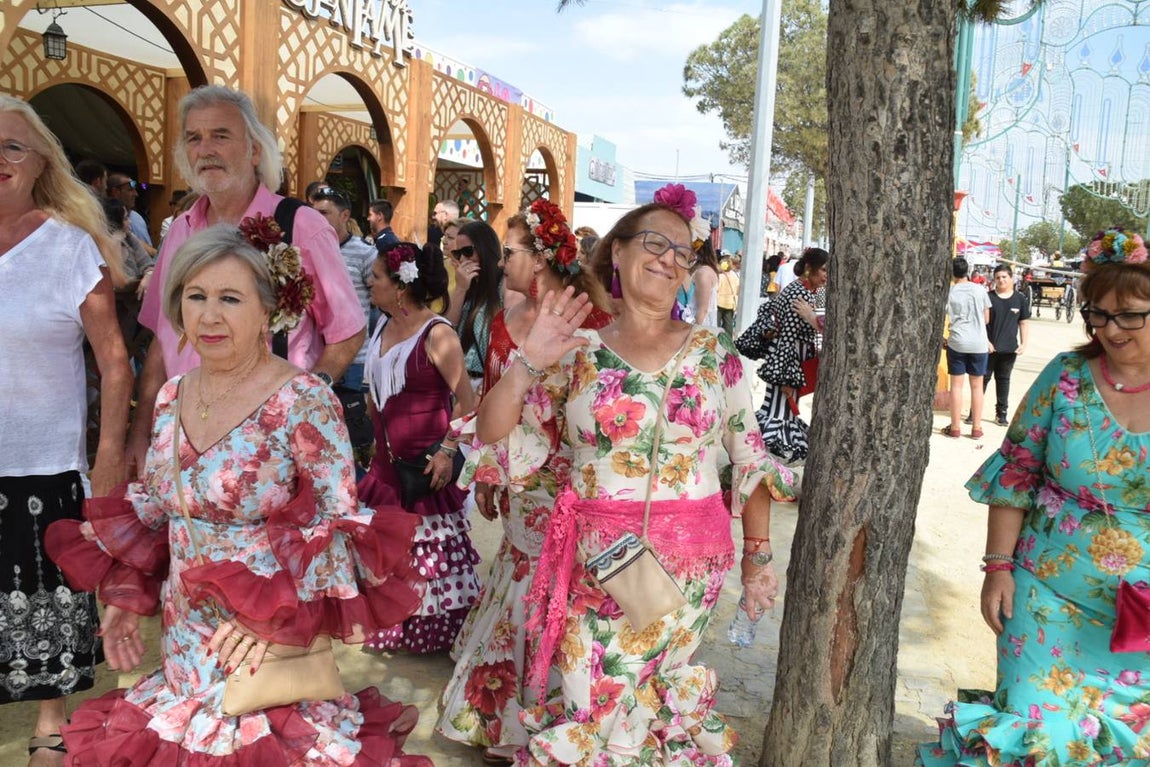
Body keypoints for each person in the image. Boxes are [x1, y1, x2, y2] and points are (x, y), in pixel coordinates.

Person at [44, 224, 431, 766]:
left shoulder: (303, 399)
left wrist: (281, 627)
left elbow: (337, 529)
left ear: (268, 310)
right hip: (184, 640)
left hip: (260, 644)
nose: (208, 315)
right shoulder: (173, 395)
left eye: (230, 298)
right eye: (195, 296)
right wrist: (123, 601)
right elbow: (158, 509)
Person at [475, 184, 795, 765]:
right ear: (616, 253)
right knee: (588, 701)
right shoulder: (577, 352)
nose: (671, 258)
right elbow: (499, 438)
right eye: (656, 242)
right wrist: (528, 363)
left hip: (687, 574)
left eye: (684, 250)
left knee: (653, 707)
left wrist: (759, 560)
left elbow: (751, 461)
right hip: (595, 569)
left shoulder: (713, 351)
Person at [917, 227, 1150, 767]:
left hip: (1140, 621)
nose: (1110, 329)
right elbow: (1017, 472)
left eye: (1129, 314)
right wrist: (998, 566)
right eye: (1097, 313)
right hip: (1046, 596)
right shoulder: (1065, 377)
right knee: (1032, 730)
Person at [437, 199, 613, 763]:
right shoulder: (503, 317)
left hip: (566, 486)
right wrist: (490, 469)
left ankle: (550, 718)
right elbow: (494, 394)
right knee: (516, 581)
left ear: (539, 257)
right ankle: (505, 719)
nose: (500, 260)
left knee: (553, 591)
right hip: (517, 480)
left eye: (509, 251)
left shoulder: (591, 321)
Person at [126, 85, 366, 474]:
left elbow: (348, 332)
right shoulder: (180, 231)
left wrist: (300, 405)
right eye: (194, 138)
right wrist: (141, 432)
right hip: (186, 434)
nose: (206, 149)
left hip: (269, 444)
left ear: (254, 150)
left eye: (221, 135)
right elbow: (161, 338)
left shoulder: (300, 226)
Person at [0, 94, 133, 766]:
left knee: (48, 627)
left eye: (12, 146)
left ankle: (50, 733)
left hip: (44, 466)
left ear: (40, 159)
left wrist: (108, 452)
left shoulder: (70, 247)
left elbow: (114, 361)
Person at [359, 242, 481, 654]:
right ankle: (395, 626)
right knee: (391, 550)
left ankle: (431, 634)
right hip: (385, 466)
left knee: (428, 554)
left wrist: (447, 451)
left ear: (400, 286)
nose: (368, 284)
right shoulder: (381, 324)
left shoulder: (438, 333)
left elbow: (468, 401)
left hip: (424, 466)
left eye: (375, 277)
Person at [736, 247, 830, 464]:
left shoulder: (799, 289)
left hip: (786, 358)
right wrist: (785, 376)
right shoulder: (802, 294)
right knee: (779, 411)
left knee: (776, 408)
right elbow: (788, 337)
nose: (826, 275)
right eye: (824, 270)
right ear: (809, 268)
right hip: (788, 359)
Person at [312, 185, 376, 392]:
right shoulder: (305, 250)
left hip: (355, 359)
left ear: (345, 215)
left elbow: (380, 302)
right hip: (315, 357)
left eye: (323, 213)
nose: (315, 217)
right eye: (312, 212)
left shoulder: (366, 253)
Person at [445, 219, 503, 393]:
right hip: (462, 382)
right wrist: (461, 288)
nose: (463, 259)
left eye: (468, 251)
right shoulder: (468, 287)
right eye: (458, 254)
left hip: (489, 383)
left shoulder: (503, 286)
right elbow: (448, 328)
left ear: (485, 248)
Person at [942, 256, 991, 439]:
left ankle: (955, 427)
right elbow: (987, 319)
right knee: (977, 386)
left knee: (956, 386)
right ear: (967, 271)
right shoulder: (980, 290)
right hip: (979, 343)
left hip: (957, 342)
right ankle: (977, 427)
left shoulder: (950, 292)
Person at [983, 263, 1030, 426]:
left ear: (1011, 278)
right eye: (997, 277)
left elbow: (1023, 323)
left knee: (1003, 380)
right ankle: (974, 413)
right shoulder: (988, 297)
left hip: (1009, 349)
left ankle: (1001, 413)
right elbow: (981, 324)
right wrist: (986, 342)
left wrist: (1024, 343)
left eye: (1004, 277)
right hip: (988, 349)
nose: (1001, 280)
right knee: (983, 379)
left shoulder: (1020, 299)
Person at [106, 172, 157, 258]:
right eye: (130, 190)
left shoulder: (137, 217)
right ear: (116, 192)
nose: (135, 194)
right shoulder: (107, 220)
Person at [717, 254, 741, 336]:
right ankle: (728, 341)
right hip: (731, 303)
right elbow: (738, 290)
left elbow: (717, 289)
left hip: (719, 302)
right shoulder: (735, 276)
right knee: (728, 324)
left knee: (716, 323)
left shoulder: (720, 277)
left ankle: (717, 338)